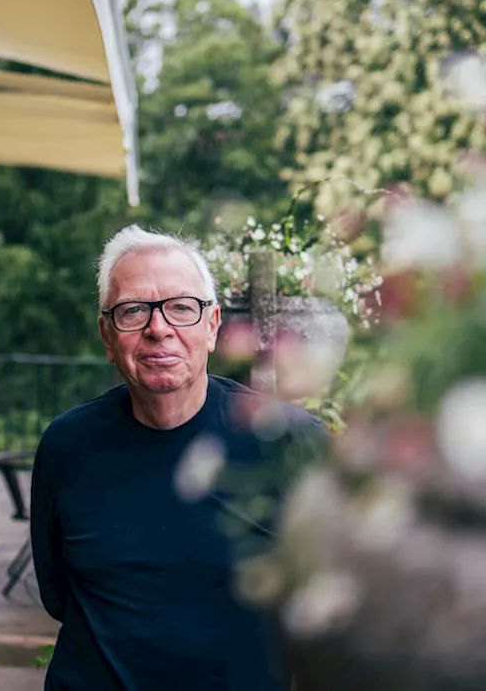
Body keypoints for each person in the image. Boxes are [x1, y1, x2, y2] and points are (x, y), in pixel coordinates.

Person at [30, 226, 325, 691]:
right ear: (107, 336)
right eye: (132, 311)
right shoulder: (67, 446)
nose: (158, 328)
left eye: (182, 308)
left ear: (212, 326)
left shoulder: (290, 445)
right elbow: (58, 594)